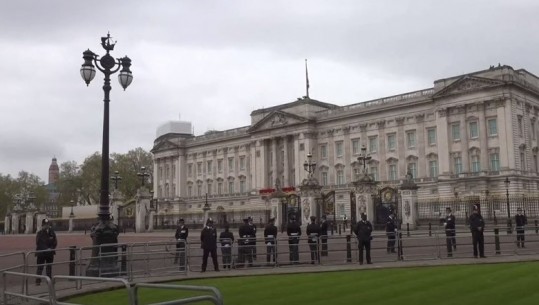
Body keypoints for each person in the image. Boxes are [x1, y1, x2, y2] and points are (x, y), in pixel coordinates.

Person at [35, 218, 57, 285]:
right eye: (45, 225)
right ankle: (38, 281)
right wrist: (46, 249)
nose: (46, 226)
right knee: (40, 268)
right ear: (42, 225)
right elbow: (39, 243)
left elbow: (55, 242)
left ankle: (49, 281)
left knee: (49, 267)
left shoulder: (52, 232)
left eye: (47, 224)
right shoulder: (39, 233)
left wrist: (51, 248)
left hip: (50, 253)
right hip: (41, 253)